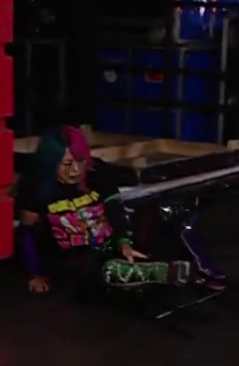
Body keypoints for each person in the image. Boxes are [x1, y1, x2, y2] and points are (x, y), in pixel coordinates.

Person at [16, 126, 216, 295]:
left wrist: (124, 242)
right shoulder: (35, 187)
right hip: (77, 258)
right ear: (51, 163)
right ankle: (160, 273)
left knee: (170, 209)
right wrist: (35, 274)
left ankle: (199, 268)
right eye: (67, 164)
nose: (76, 170)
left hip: (111, 242)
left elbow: (115, 210)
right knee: (104, 269)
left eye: (80, 161)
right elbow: (27, 234)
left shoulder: (97, 172)